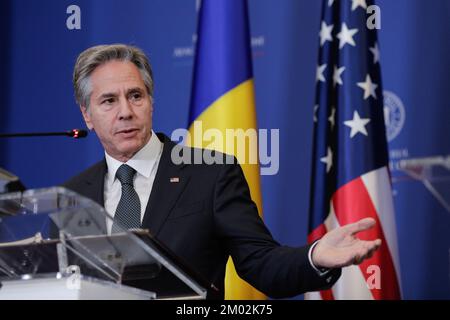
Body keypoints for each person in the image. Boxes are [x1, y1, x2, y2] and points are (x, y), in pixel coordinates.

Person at [63, 44, 381, 299]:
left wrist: (314, 258)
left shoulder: (210, 173)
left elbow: (261, 263)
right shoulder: (72, 194)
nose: (126, 112)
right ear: (87, 115)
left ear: (151, 102)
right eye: (108, 101)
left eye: (136, 96)